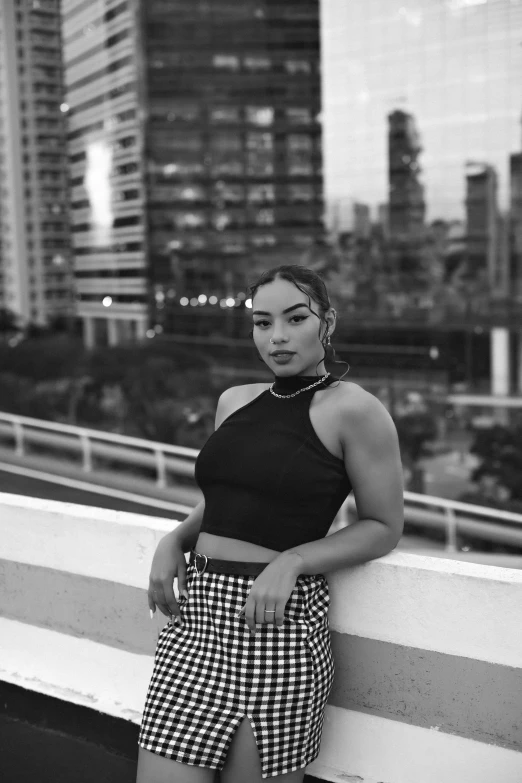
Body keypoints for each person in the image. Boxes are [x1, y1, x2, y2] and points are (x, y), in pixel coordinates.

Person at [136, 265, 404, 783]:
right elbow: (228, 496)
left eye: (295, 318)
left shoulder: (356, 411)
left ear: (327, 322)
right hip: (197, 622)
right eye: (262, 322)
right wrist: (177, 537)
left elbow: (383, 525)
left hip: (276, 627)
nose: (277, 336)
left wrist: (294, 560)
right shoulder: (234, 400)